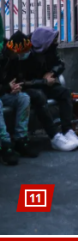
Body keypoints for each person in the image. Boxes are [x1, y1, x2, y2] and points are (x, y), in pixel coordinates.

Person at [21, 27, 78, 150]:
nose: (56, 43)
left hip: (44, 84)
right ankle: (54, 136)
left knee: (64, 93)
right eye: (53, 41)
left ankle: (67, 131)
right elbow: (22, 81)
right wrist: (43, 81)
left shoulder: (50, 49)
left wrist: (52, 73)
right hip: (30, 87)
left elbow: (60, 63)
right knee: (39, 96)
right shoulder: (25, 53)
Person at [0, 32, 39, 164]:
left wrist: (16, 87)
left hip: (5, 93)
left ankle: (21, 139)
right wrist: (6, 88)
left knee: (24, 98)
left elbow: (17, 78)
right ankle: (4, 144)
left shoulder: (15, 60)